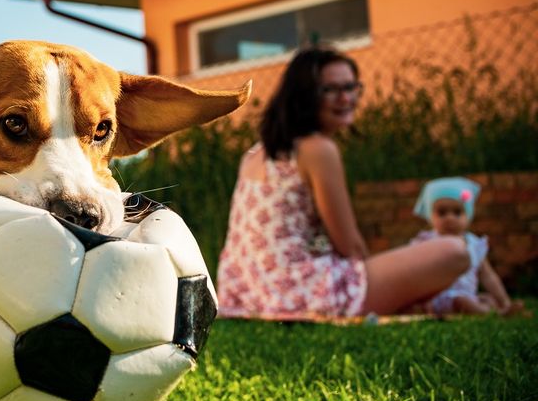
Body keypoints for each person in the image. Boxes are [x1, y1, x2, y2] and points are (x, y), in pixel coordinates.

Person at [216, 46, 470, 318]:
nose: (346, 98)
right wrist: (380, 281)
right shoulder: (317, 148)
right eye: (331, 90)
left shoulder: (255, 152)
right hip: (300, 292)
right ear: (304, 97)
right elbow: (349, 246)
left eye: (351, 87)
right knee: (454, 251)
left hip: (245, 294)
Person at [410, 177, 521, 315]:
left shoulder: (474, 244)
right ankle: (495, 314)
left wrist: (504, 300)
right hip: (440, 299)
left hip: (467, 295)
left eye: (457, 212)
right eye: (442, 212)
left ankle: (500, 307)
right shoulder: (426, 242)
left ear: (468, 215)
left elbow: (488, 276)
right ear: (430, 216)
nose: (449, 218)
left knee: (487, 298)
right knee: (462, 301)